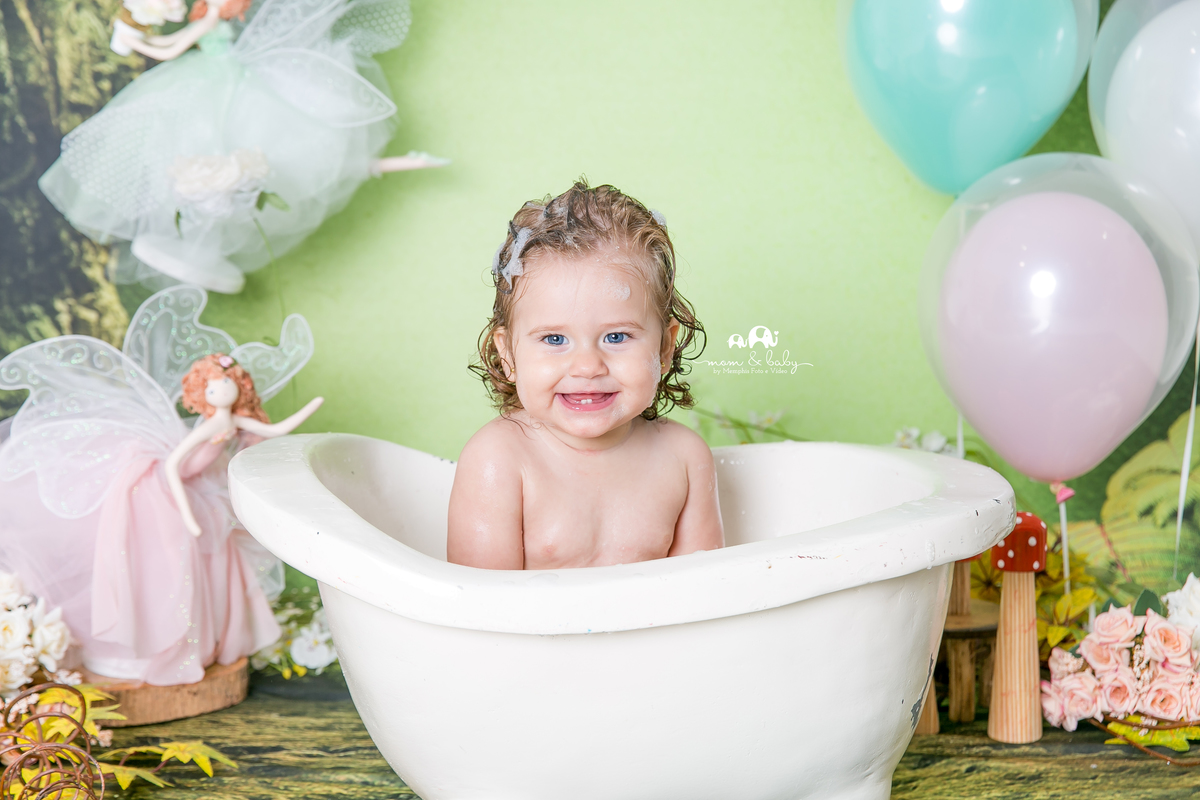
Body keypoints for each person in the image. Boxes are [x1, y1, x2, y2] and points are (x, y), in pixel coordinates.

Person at [448, 181, 725, 570]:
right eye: (555, 338)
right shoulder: (501, 460)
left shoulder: (683, 458)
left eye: (616, 336)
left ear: (664, 349)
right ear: (508, 353)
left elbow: (708, 595)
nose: (587, 367)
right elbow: (480, 609)